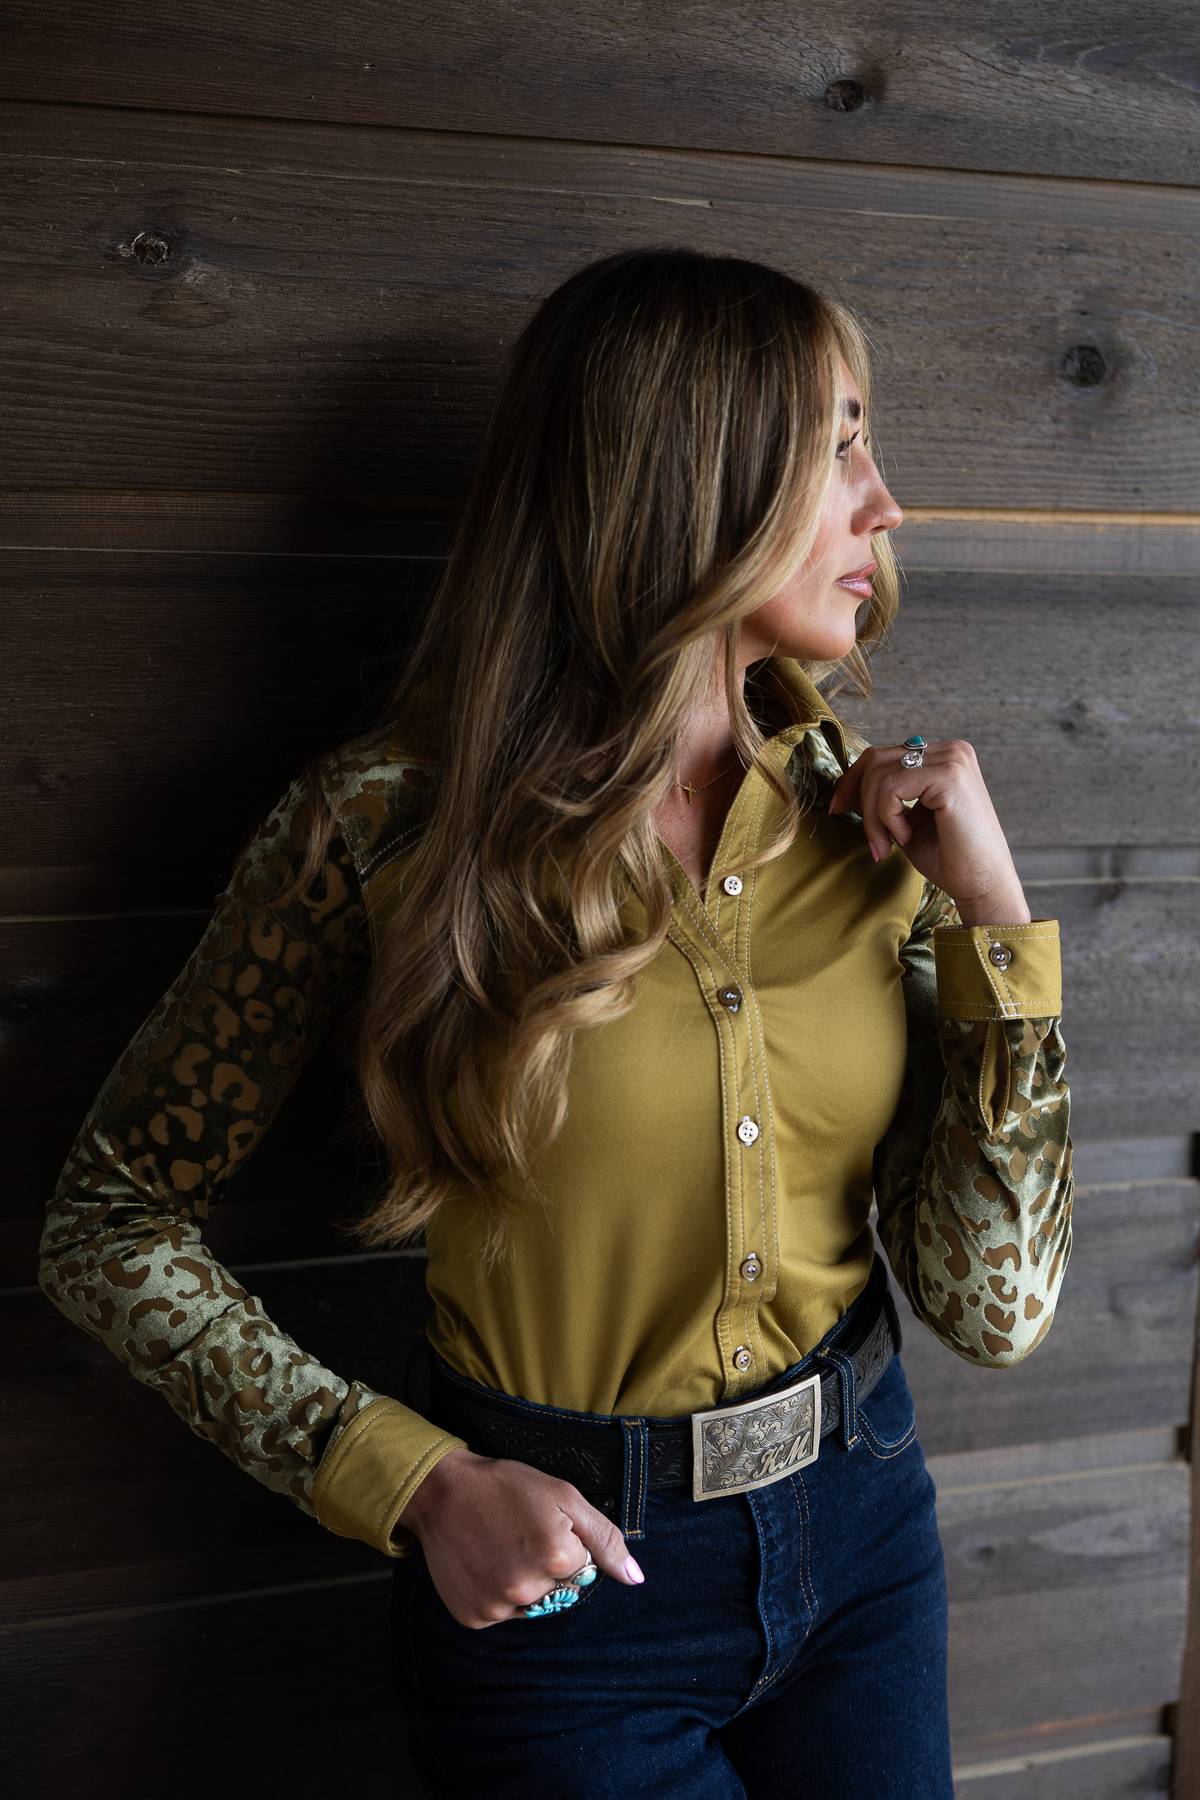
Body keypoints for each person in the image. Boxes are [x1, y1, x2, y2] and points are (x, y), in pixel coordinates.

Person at [38, 247, 1074, 1798]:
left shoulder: (877, 831)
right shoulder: (380, 832)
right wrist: (412, 1481)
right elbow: (108, 1226)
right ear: (690, 480)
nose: (888, 505)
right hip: (564, 1602)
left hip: (864, 1545)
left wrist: (994, 924)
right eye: (839, 448)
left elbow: (995, 1313)